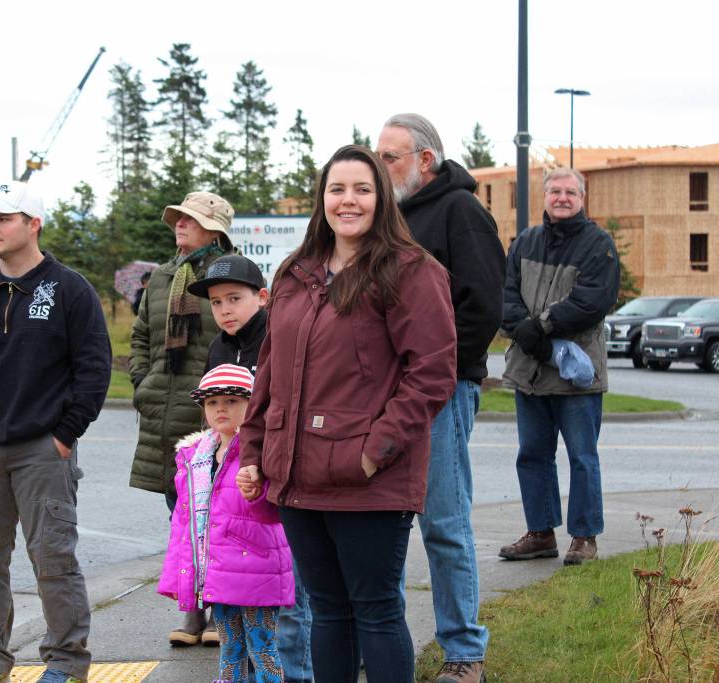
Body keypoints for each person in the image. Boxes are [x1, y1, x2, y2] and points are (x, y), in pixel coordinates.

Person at [238, 145, 458, 682]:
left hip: (368, 478)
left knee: (376, 610)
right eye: (337, 189)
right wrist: (253, 451)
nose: (348, 200)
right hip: (296, 473)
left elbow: (431, 371)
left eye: (362, 188)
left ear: (382, 198)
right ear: (322, 198)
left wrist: (373, 452)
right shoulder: (296, 272)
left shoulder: (410, 270)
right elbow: (270, 370)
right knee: (327, 611)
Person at [0, 180, 112, 683]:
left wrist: (64, 434)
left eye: (5, 217)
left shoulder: (69, 290)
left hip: (41, 449)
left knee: (54, 560)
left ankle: (65, 661)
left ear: (33, 224)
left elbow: (94, 369)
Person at [377, 113, 504, 683]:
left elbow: (482, 307)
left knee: (444, 524)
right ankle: (382, 645)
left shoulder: (460, 212)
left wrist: (436, 375)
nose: (382, 168)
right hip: (382, 397)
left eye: (390, 158)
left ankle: (463, 652)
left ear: (425, 160)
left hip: (441, 393)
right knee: (381, 525)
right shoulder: (388, 218)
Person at [188, 255, 314, 683]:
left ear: (262, 297)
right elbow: (213, 422)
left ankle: (295, 674)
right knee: (238, 605)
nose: (224, 310)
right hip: (235, 495)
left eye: (234, 299)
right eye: (216, 302)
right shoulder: (218, 348)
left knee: (291, 597)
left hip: (280, 481)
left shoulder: (280, 337)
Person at [128, 191, 236, 646]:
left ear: (215, 230)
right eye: (178, 218)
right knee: (182, 518)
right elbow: (140, 337)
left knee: (221, 516)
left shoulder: (232, 276)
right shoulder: (162, 279)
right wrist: (144, 383)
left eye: (190, 219)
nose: (180, 225)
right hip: (165, 417)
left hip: (215, 416)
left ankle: (219, 611)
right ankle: (191, 610)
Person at [498, 167, 619, 567]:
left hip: (575, 374)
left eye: (570, 191)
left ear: (582, 197)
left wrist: (541, 327)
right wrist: (520, 327)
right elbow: (505, 292)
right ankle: (540, 533)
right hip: (529, 371)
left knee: (582, 457)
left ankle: (584, 537)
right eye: (555, 191)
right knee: (532, 454)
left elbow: (592, 301)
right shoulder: (526, 242)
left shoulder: (598, 244)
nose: (562, 197)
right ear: (544, 196)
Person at [158, 364, 294, 683]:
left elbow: (273, 511)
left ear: (253, 406)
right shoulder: (196, 457)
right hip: (217, 573)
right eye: (212, 402)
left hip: (257, 571)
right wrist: (177, 576)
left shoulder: (262, 452)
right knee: (230, 650)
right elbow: (185, 524)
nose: (221, 408)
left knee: (263, 651)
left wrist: (258, 484)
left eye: (232, 401)